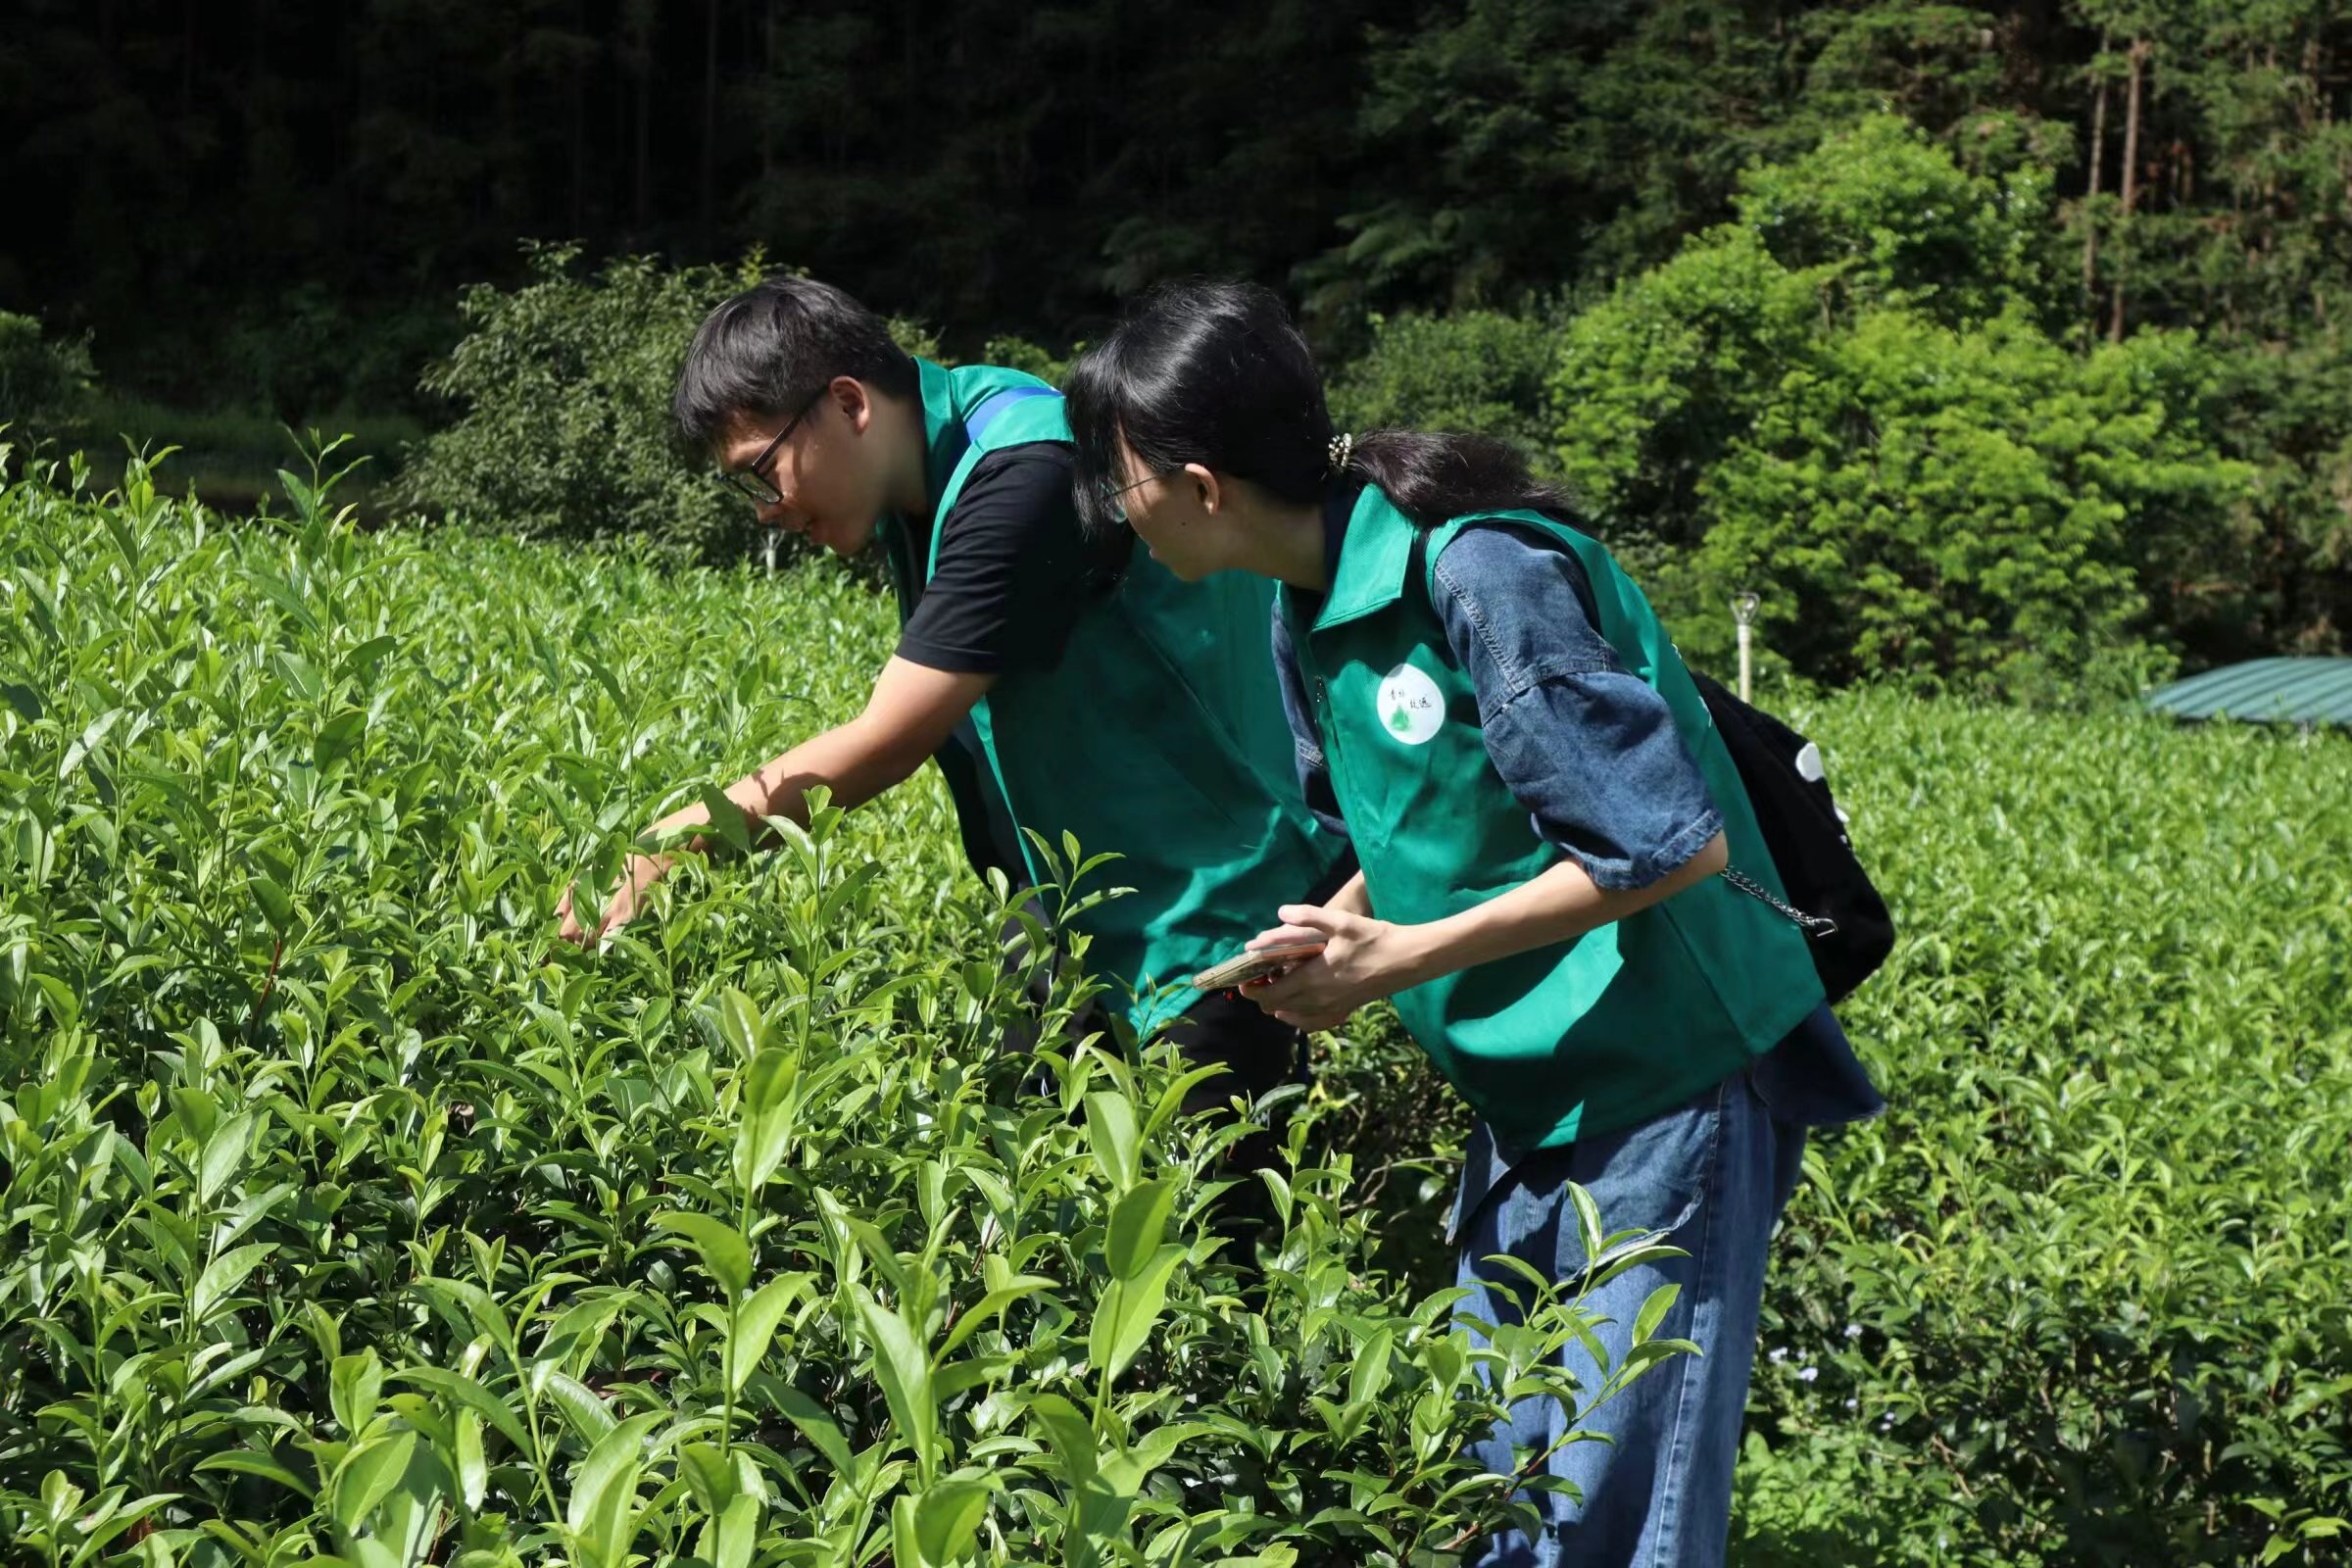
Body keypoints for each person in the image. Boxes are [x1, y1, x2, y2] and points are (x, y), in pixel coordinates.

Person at [1062, 280, 1883, 1568]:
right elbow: (1397, 837)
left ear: (1201, 482)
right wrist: (1329, 931)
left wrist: (1398, 965)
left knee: (1619, 1511)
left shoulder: (1479, 574)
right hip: (1530, 1096)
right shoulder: (1305, 610)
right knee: (1503, 1478)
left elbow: (1666, 845)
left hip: (1662, 1078)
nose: (1117, 511)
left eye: (1123, 478)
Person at [559, 275, 1348, 1135]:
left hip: (1203, 914)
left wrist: (667, 851)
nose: (769, 513)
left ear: (848, 403)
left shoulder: (1024, 473)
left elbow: (891, 738)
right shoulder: (930, 471)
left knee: (1206, 1245)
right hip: (1075, 917)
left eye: (764, 473)